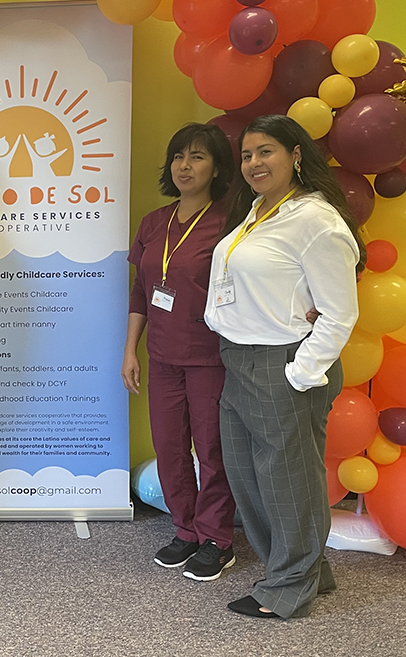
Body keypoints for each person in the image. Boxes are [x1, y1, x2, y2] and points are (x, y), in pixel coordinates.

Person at [204, 114, 363, 619]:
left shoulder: (316, 220)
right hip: (239, 357)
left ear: (296, 155)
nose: (253, 163)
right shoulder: (257, 211)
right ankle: (307, 569)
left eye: (265, 151)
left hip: (282, 363)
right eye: (247, 154)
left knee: (285, 478)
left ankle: (289, 586)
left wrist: (300, 371)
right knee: (251, 476)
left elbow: (340, 312)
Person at [122, 123, 237, 581]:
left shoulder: (231, 221)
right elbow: (140, 291)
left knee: (212, 450)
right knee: (170, 448)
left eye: (197, 157)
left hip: (211, 356)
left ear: (216, 168)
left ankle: (217, 539)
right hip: (163, 356)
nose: (185, 166)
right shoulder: (154, 222)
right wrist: (130, 350)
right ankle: (185, 530)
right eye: (179, 157)